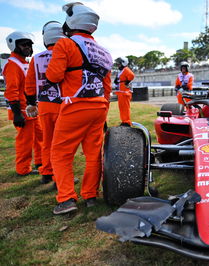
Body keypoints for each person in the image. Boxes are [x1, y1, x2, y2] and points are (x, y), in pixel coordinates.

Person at [46, 2, 113, 214]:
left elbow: (54, 76)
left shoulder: (65, 45)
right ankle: (91, 196)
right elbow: (107, 87)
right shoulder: (104, 52)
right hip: (99, 106)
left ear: (72, 21)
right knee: (93, 153)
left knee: (60, 153)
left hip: (75, 106)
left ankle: (66, 199)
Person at [25, 21, 65, 185]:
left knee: (47, 141)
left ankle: (47, 172)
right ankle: (59, 176)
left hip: (44, 105)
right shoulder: (66, 53)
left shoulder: (36, 58)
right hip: (63, 104)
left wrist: (31, 103)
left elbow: (29, 84)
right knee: (62, 143)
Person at [3, 31, 43, 176]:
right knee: (25, 142)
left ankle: (40, 161)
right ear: (14, 45)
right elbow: (11, 91)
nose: (27, 47)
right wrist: (17, 114)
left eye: (29, 44)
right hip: (21, 110)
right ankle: (23, 169)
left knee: (40, 137)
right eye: (23, 44)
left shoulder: (24, 63)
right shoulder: (13, 64)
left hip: (31, 109)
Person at [113, 57, 134, 126]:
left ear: (123, 63)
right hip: (121, 92)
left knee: (125, 107)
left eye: (119, 63)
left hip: (125, 92)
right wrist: (116, 80)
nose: (118, 65)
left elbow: (131, 75)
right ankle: (124, 121)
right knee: (121, 108)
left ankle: (127, 122)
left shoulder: (126, 69)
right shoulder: (121, 71)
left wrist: (126, 82)